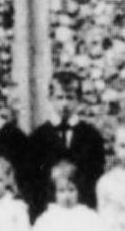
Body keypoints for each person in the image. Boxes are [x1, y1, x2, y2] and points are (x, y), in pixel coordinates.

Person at [27, 71, 106, 211]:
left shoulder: (91, 136)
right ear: (50, 98)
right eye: (59, 97)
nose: (64, 104)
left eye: (70, 98)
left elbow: (95, 177)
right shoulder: (38, 138)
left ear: (79, 99)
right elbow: (34, 182)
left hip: (82, 209)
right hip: (49, 209)